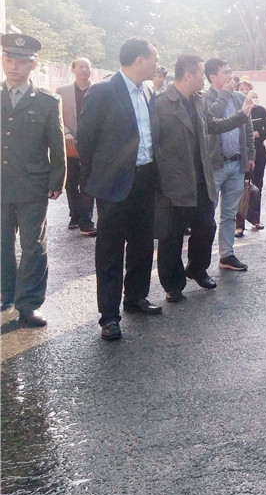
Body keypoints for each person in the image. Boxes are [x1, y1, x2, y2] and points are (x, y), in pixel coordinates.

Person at [77, 37, 163, 340]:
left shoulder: (148, 91)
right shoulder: (103, 91)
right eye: (154, 59)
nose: (157, 65)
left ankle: (136, 297)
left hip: (145, 178)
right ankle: (109, 316)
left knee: (142, 243)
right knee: (110, 250)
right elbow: (85, 139)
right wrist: (94, 178)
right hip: (114, 184)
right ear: (140, 60)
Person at [154, 55, 255, 302]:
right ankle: (173, 285)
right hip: (174, 182)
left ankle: (197, 269)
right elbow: (153, 144)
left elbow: (213, 125)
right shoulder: (161, 103)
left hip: (201, 177)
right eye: (201, 73)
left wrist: (242, 115)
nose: (204, 78)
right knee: (173, 235)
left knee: (206, 227)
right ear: (188, 74)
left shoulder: (198, 101)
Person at [1, 34, 65, 327]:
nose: (12, 67)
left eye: (19, 62)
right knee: (2, 243)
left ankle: (29, 303)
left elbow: (57, 144)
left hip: (32, 184)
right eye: (8, 60)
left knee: (33, 245)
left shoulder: (47, 102)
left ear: (32, 65)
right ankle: (5, 293)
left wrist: (57, 179)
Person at [202, 58, 255, 272]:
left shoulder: (240, 97)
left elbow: (248, 128)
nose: (230, 76)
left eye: (230, 71)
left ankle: (227, 254)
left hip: (236, 164)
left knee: (230, 214)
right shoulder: (204, 98)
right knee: (207, 214)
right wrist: (223, 94)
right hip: (214, 166)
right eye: (225, 72)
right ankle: (201, 260)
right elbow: (210, 120)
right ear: (212, 76)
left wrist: (250, 154)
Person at [56, 57, 97, 236]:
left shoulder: (98, 91)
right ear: (73, 69)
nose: (84, 70)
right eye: (81, 67)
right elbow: (57, 116)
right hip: (70, 142)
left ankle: (86, 221)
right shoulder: (62, 91)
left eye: (87, 67)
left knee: (88, 183)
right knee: (71, 183)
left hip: (92, 144)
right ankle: (75, 215)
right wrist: (66, 132)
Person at [235, 78, 266, 236]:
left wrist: (259, 134)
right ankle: (239, 224)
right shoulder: (236, 112)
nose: (244, 91)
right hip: (240, 155)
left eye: (247, 88)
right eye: (241, 89)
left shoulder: (260, 110)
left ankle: (256, 219)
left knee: (257, 187)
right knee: (240, 188)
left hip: (259, 153)